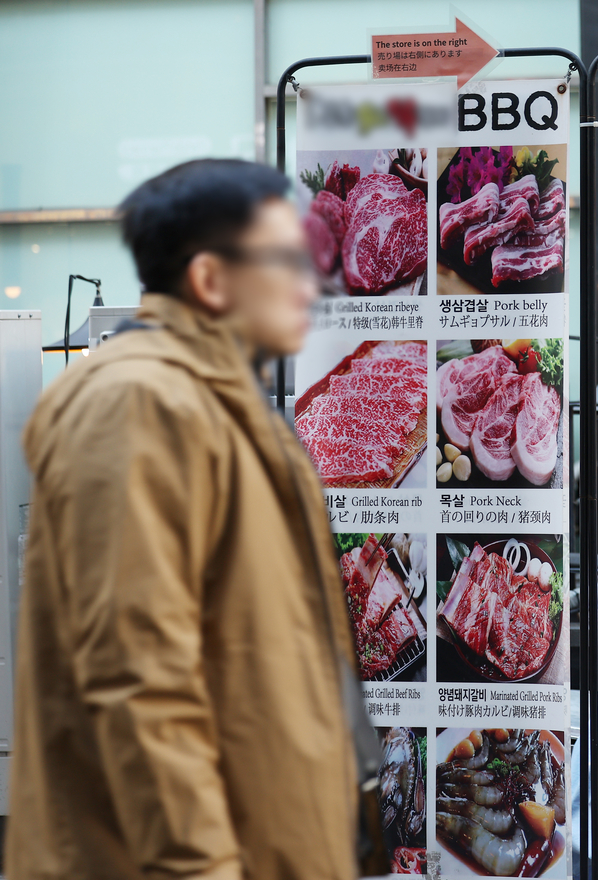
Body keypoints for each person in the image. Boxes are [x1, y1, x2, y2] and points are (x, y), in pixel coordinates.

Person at [7, 159, 381, 879]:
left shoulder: (227, 402)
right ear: (212, 280)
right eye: (290, 258)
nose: (313, 282)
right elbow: (137, 683)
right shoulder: (140, 404)